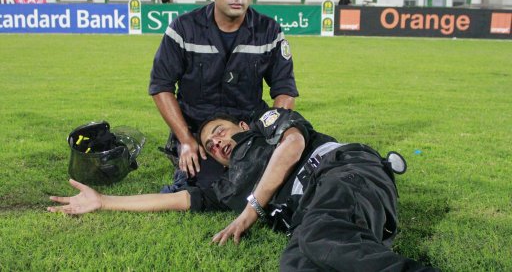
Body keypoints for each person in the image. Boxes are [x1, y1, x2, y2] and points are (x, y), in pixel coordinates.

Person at [48, 109, 438, 271]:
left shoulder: (267, 126)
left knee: (320, 233)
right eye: (210, 146)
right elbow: (172, 199)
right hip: (313, 213)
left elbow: (294, 147)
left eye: (219, 131)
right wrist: (103, 201)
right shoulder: (226, 186)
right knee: (297, 263)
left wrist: (252, 208)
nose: (217, 143)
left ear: (239, 125)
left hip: (345, 173)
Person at [149, 0, 298, 191]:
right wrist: (186, 140)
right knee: (205, 183)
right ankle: (186, 156)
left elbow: (284, 90)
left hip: (246, 127)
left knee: (277, 174)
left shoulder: (269, 31)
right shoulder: (183, 29)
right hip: (200, 132)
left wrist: (271, 134)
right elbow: (160, 86)